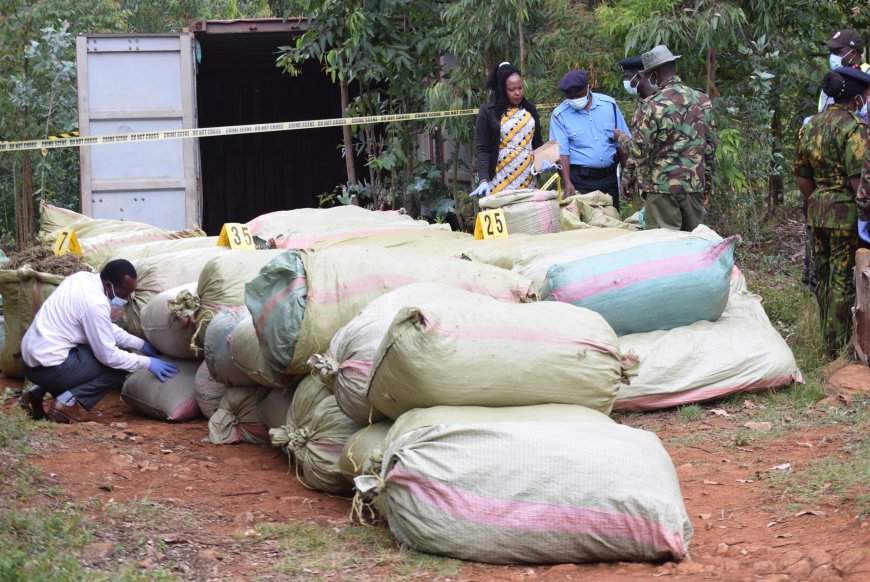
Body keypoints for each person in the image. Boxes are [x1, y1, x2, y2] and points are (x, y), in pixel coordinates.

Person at [18, 259, 178, 423]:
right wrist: (148, 363)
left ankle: (37, 392)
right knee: (118, 365)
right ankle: (65, 404)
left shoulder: (81, 278)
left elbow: (104, 329)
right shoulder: (96, 304)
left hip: (30, 363)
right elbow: (109, 356)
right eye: (124, 294)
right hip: (48, 369)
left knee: (92, 350)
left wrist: (140, 344)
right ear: (109, 285)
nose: (127, 299)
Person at [795, 67, 870, 358]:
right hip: (844, 213)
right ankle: (834, 349)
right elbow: (858, 180)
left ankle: (826, 337)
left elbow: (802, 176)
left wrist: (819, 199)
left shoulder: (811, 125)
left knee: (823, 276)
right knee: (842, 278)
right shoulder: (854, 129)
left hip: (817, 210)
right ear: (856, 99)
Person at [619, 45, 716, 231]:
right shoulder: (702, 100)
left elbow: (639, 153)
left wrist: (623, 139)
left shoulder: (651, 106)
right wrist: (707, 184)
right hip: (692, 186)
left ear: (654, 75)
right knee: (691, 245)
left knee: (663, 249)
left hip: (661, 189)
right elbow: (710, 147)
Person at [549, 69, 631, 211]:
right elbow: (561, 153)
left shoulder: (609, 105)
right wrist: (567, 182)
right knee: (586, 227)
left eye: (578, 95)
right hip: (581, 180)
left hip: (609, 177)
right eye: (571, 97)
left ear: (588, 87)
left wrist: (627, 175)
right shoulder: (559, 115)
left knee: (612, 222)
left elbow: (622, 144)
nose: (575, 100)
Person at [470, 61, 543, 199]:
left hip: (528, 179)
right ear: (502, 89)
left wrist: (545, 161)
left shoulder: (530, 109)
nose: (517, 93)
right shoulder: (487, 112)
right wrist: (484, 180)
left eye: (520, 88)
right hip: (499, 179)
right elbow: (483, 149)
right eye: (512, 89)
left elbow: (537, 143)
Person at [617, 56, 657, 207]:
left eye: (628, 77)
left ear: (639, 76)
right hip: (642, 185)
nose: (626, 82)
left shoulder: (659, 105)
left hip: (659, 187)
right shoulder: (641, 103)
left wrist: (621, 137)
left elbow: (639, 149)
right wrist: (627, 174)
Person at [820, 29, 870, 114]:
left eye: (837, 52)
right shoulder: (831, 80)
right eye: (832, 52)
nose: (832, 56)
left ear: (853, 53)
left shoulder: (867, 74)